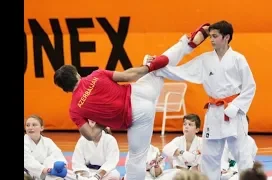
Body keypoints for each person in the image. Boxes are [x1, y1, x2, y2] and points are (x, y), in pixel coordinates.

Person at [53, 23, 210, 180]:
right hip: (139, 92)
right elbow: (129, 76)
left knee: (136, 160)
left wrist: (101, 120)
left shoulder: (74, 109)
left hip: (137, 117)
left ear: (64, 89)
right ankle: (186, 44)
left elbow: (92, 135)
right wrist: (148, 67)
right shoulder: (96, 75)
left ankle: (168, 59)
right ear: (76, 74)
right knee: (159, 68)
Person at [150, 20, 256, 180]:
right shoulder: (205, 59)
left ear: (226, 37)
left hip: (233, 113)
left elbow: (250, 86)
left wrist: (235, 106)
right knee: (209, 157)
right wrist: (157, 67)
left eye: (215, 36)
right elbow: (181, 72)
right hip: (214, 112)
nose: (211, 39)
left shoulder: (238, 59)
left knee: (242, 154)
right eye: (210, 36)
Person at [24, 115, 86, 180]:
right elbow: (28, 161)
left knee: (52, 162)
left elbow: (57, 154)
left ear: (41, 128)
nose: (30, 128)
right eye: (27, 125)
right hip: (29, 172)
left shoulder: (47, 141)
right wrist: (45, 170)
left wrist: (59, 167)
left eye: (34, 125)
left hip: (48, 171)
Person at [221, 115, 258, 180]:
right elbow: (223, 158)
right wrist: (223, 169)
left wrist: (234, 171)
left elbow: (250, 162)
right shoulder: (228, 140)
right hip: (228, 170)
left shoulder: (251, 141)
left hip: (242, 172)